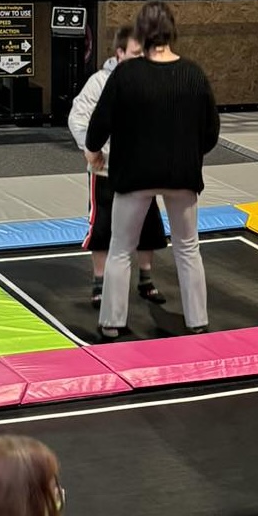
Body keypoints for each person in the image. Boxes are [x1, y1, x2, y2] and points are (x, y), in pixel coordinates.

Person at [85, 0, 219, 340]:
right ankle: (198, 320)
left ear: (141, 33)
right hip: (182, 175)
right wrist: (189, 155)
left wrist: (93, 152)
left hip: (135, 175)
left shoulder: (127, 74)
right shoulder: (193, 74)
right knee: (187, 247)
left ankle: (112, 322)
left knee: (120, 248)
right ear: (171, 32)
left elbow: (100, 122)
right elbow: (211, 132)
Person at [68, 25, 167, 310]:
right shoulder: (99, 82)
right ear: (119, 53)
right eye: (136, 54)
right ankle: (100, 284)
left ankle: (146, 280)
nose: (142, 59)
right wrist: (91, 150)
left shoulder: (153, 81)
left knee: (148, 224)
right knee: (103, 227)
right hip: (106, 170)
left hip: (141, 170)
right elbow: (78, 118)